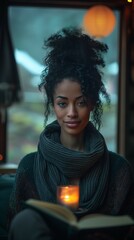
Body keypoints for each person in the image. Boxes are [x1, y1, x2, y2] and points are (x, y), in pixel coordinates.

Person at [8, 27, 134, 240]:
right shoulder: (29, 167)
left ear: (93, 103)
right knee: (25, 221)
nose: (72, 113)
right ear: (53, 105)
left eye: (81, 102)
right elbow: (15, 226)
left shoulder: (119, 170)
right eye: (62, 103)